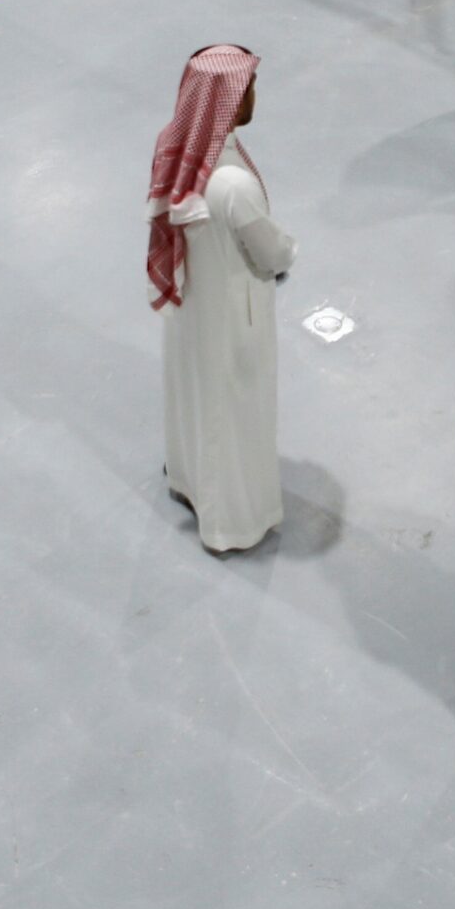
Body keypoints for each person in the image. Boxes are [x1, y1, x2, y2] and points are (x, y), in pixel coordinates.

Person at [149, 45, 296, 554]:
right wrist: (290, 251)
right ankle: (233, 519)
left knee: (193, 393)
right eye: (249, 86)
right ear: (230, 100)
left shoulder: (176, 145)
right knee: (234, 413)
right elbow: (272, 253)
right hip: (235, 316)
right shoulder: (231, 182)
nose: (255, 94)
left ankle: (188, 478)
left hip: (190, 303)